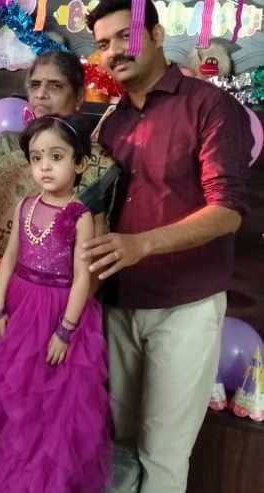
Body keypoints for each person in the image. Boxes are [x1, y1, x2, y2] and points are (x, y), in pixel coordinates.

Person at [84, 1, 253, 492]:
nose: (114, 51)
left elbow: (227, 211)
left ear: (157, 35)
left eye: (126, 35)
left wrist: (143, 244)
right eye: (103, 44)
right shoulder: (111, 123)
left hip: (184, 307)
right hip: (117, 306)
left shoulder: (209, 106)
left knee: (161, 457)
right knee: (117, 447)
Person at [0, 115, 110, 493]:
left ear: (79, 164)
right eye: (37, 158)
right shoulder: (24, 205)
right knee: (9, 391)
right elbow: (8, 258)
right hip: (20, 307)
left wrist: (65, 331)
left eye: (56, 157)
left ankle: (37, 478)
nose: (45, 166)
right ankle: (5, 468)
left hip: (59, 312)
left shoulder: (81, 215)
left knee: (49, 398)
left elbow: (83, 277)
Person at [0, 50, 118, 258]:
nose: (40, 94)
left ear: (79, 96)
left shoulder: (94, 163)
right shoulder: (4, 145)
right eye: (35, 85)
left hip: (54, 277)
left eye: (55, 86)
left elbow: (94, 251)